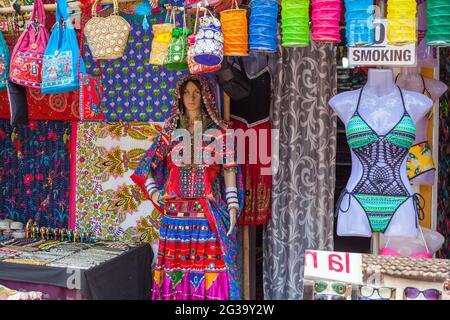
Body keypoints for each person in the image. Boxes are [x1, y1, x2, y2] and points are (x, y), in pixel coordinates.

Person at [131, 74, 243, 300]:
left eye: (196, 92)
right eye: (186, 93)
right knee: (176, 272)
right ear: (180, 97)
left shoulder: (221, 132)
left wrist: (232, 205)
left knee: (211, 269)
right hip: (175, 216)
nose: (191, 97)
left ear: (204, 96)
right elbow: (146, 165)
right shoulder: (171, 132)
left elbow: (229, 169)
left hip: (206, 213)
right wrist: (154, 192)